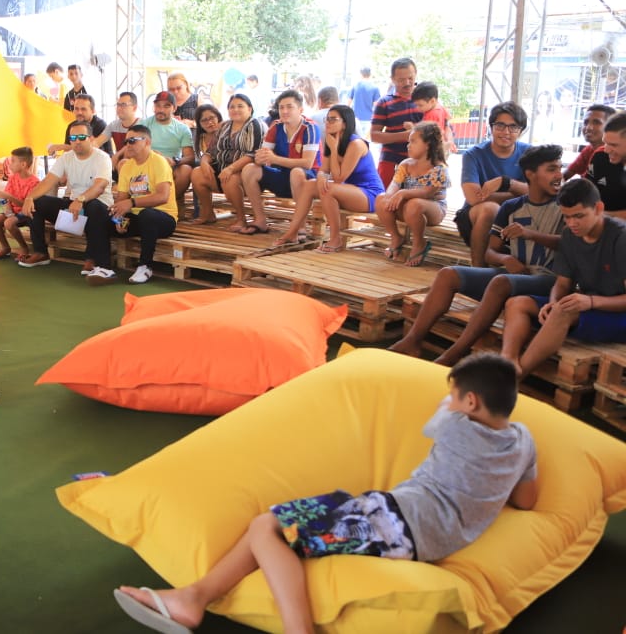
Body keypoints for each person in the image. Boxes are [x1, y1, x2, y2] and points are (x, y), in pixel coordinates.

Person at [114, 352, 537, 634]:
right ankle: (193, 598)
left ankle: (284, 626)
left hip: (394, 519)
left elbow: (438, 420)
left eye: (454, 396)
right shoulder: (524, 441)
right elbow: (526, 500)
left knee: (266, 526)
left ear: (471, 402)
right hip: (427, 537)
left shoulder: (456, 424)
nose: (450, 402)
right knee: (303, 514)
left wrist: (452, 404)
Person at [390, 145, 564, 362]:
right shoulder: (511, 207)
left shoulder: (565, 206)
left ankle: (454, 354)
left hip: (549, 280)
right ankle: (412, 341)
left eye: (560, 168)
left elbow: (570, 245)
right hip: (515, 275)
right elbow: (490, 252)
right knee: (448, 274)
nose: (559, 175)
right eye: (552, 169)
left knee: (500, 281)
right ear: (530, 174)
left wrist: (530, 235)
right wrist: (505, 258)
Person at [500, 177, 626, 379]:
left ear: (598, 208)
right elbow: (562, 283)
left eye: (579, 216)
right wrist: (552, 303)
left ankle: (511, 380)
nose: (572, 223)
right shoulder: (569, 235)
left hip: (619, 316)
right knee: (516, 303)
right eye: (566, 217)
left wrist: (590, 301)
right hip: (589, 308)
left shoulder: (620, 237)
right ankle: (508, 361)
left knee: (562, 312)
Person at [272, 105, 384, 251]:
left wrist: (335, 149)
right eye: (327, 119)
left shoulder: (356, 144)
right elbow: (323, 170)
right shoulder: (331, 141)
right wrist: (321, 178)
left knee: (328, 188)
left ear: (345, 123)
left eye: (333, 119)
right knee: (309, 185)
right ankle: (292, 232)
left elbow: (338, 178)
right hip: (348, 189)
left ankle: (335, 239)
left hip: (369, 194)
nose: (328, 123)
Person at [19, 121, 114, 283]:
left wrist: (80, 199)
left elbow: (99, 187)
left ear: (91, 138)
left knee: (93, 207)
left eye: (82, 137)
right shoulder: (66, 158)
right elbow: (48, 181)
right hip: (74, 206)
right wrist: (29, 198)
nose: (77, 141)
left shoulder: (102, 158)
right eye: (73, 138)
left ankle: (94, 259)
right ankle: (40, 253)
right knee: (38, 202)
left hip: (99, 206)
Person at [454, 102, 531, 267]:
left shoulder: (530, 154)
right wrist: (518, 195)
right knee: (491, 209)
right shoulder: (473, 155)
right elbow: (473, 198)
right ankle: (478, 269)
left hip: (518, 215)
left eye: (513, 127)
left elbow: (542, 192)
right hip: (476, 215)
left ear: (521, 131)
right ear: (491, 127)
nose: (506, 132)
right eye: (500, 125)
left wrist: (506, 183)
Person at [241, 90, 321, 236]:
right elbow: (262, 157)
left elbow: (307, 163)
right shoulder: (276, 127)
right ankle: (260, 220)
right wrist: (260, 158)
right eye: (281, 107)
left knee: (297, 172)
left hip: (309, 180)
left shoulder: (310, 128)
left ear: (300, 109)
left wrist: (274, 159)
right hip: (284, 176)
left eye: (289, 107)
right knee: (250, 169)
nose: (284, 111)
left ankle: (300, 226)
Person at [109, 124, 179, 284]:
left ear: (147, 142)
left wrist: (132, 202)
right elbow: (121, 199)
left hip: (163, 218)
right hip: (137, 218)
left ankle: (145, 266)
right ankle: (101, 264)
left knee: (147, 214)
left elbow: (163, 196)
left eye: (132, 140)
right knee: (102, 214)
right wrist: (118, 219)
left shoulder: (159, 162)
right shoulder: (127, 166)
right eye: (126, 141)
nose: (128, 145)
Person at [375, 121, 450, 266]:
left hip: (433, 209)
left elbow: (427, 193)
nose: (408, 145)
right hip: (409, 209)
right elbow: (394, 185)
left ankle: (419, 242)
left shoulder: (439, 168)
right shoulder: (406, 164)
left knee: (414, 204)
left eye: (413, 141)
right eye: (409, 142)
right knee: (381, 199)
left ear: (427, 144)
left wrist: (403, 193)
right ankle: (396, 237)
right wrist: (389, 197)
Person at [191, 94, 264, 232]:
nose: (235, 109)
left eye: (240, 106)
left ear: (249, 109)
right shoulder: (224, 126)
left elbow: (253, 154)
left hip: (247, 172)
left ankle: (241, 219)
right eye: (232, 107)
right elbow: (210, 151)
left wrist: (231, 169)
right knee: (197, 173)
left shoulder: (254, 125)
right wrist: (204, 163)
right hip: (223, 169)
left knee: (230, 179)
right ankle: (208, 213)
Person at [131, 91, 194, 210]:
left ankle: (167, 202)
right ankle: (139, 203)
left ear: (174, 108)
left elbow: (190, 157)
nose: (161, 109)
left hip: (170, 167)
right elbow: (132, 147)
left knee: (186, 170)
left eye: (166, 106)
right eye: (158, 105)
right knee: (124, 163)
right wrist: (154, 155)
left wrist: (175, 160)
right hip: (146, 164)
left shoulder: (182, 129)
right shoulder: (143, 124)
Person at [370, 57, 422, 187]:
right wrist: (404, 136)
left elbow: (439, 128)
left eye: (410, 78)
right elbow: (374, 135)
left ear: (416, 74)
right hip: (390, 160)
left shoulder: (427, 100)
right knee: (385, 194)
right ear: (392, 79)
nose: (407, 83)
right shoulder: (384, 102)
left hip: (421, 160)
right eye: (401, 80)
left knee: (418, 196)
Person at [0, 146, 39, 261]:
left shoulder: (34, 182)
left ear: (23, 164)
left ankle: (24, 248)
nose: (9, 164)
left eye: (13, 161)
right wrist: (8, 211)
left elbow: (27, 206)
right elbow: (6, 199)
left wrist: (9, 197)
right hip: (13, 212)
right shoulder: (13, 178)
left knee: (9, 223)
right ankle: (5, 248)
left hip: (27, 213)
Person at [584, 110, 626, 219]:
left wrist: (598, 216)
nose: (606, 150)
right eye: (605, 142)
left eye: (613, 145)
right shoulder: (600, 156)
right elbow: (586, 191)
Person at [565, 104, 616, 179]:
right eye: (586, 122)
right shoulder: (589, 150)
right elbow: (565, 176)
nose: (588, 127)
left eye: (597, 122)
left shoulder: (614, 154)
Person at [411, 81, 457, 154]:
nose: (417, 108)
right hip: (443, 145)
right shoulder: (440, 107)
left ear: (432, 101)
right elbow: (447, 120)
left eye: (420, 105)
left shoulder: (431, 114)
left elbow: (423, 131)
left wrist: (412, 127)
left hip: (435, 148)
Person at [348, 66, 381, 138]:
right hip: (368, 118)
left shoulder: (355, 86)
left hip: (355, 117)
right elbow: (376, 106)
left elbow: (348, 103)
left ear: (361, 74)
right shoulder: (375, 87)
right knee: (366, 140)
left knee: (356, 139)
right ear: (370, 74)